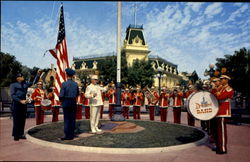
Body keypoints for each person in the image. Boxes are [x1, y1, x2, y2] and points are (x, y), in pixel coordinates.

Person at [10, 71, 40, 141]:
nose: (23, 77)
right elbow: (13, 95)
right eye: (22, 76)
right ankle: (16, 135)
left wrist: (38, 75)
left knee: (22, 119)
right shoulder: (13, 85)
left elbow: (33, 82)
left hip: (24, 103)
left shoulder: (25, 84)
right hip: (17, 103)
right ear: (18, 78)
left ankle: (21, 134)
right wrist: (20, 101)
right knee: (16, 120)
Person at [214, 75, 234, 154]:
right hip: (219, 111)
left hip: (224, 112)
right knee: (217, 131)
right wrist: (217, 94)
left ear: (227, 80)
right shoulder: (221, 88)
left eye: (222, 79)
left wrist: (217, 94)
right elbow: (215, 94)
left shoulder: (229, 89)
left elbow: (220, 96)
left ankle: (223, 149)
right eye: (221, 79)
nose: (221, 80)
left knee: (221, 131)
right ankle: (218, 146)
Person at [59, 68, 79, 140]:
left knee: (67, 118)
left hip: (66, 101)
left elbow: (61, 95)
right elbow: (77, 94)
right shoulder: (75, 84)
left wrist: (61, 101)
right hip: (73, 101)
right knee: (72, 118)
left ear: (66, 75)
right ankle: (72, 134)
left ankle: (67, 135)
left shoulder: (64, 84)